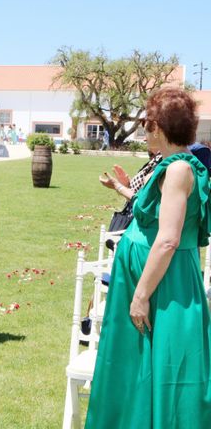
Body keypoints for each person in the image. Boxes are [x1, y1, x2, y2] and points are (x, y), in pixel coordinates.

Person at [85, 87, 211, 427]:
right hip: (150, 278)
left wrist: (141, 294)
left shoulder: (179, 170)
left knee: (166, 373)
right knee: (134, 370)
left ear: (159, 127)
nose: (143, 132)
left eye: (146, 123)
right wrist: (122, 190)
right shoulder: (172, 166)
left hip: (161, 285)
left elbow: (168, 239)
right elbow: (155, 215)